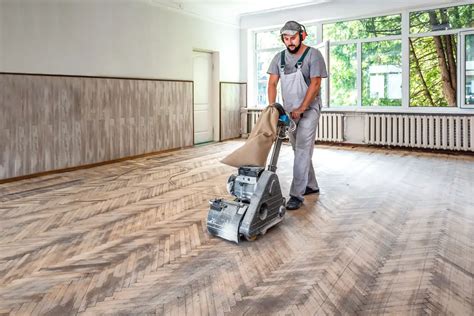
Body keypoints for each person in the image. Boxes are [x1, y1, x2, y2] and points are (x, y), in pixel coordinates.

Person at [267, 20, 327, 210]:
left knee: (301, 149)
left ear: (302, 36)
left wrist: (302, 109)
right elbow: (271, 84)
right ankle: (311, 186)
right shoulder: (279, 58)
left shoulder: (313, 55)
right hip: (289, 112)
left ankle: (296, 195)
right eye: (286, 38)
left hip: (309, 110)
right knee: (298, 150)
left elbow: (315, 84)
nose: (290, 42)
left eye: (293, 37)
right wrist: (273, 108)